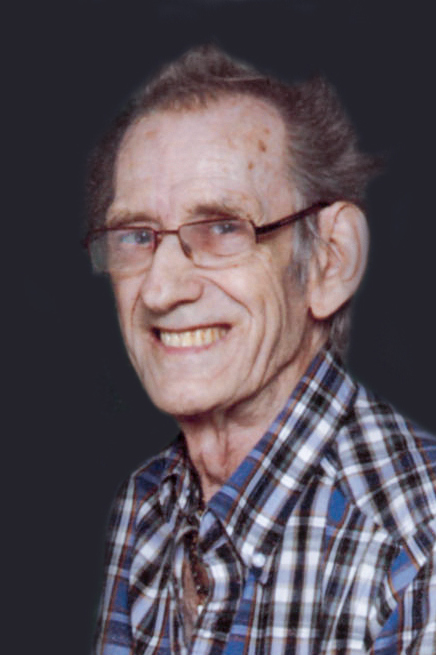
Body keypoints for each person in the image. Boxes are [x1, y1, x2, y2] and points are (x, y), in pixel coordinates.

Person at [84, 44, 436, 654]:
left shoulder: (417, 548)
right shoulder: (142, 507)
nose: (160, 290)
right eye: (136, 236)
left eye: (223, 227)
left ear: (330, 260)